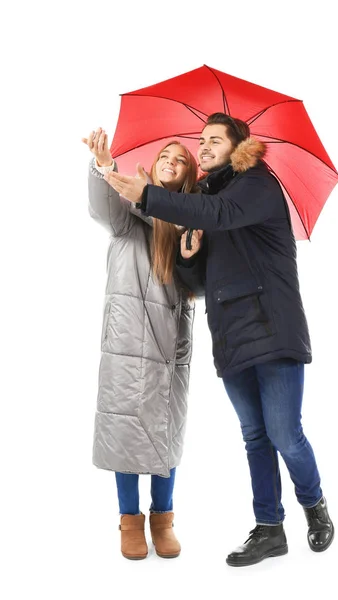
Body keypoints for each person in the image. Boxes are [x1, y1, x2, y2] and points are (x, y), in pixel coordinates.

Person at [104, 113, 335, 567]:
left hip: (273, 328)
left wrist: (149, 196)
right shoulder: (211, 196)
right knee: (254, 437)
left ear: (238, 146)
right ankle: (269, 529)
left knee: (285, 433)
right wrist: (190, 258)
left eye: (214, 140)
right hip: (230, 335)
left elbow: (222, 214)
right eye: (202, 141)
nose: (204, 147)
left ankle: (315, 505)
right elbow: (203, 278)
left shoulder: (256, 186)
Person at [82, 128, 201, 561]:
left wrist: (191, 248)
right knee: (126, 428)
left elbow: (202, 284)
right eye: (165, 154)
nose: (171, 159)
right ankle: (129, 521)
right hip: (129, 342)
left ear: (189, 176)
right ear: (152, 165)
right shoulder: (127, 215)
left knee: (167, 431)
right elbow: (102, 205)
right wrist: (104, 167)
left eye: (181, 159)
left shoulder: (192, 226)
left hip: (171, 350)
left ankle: (163, 518)